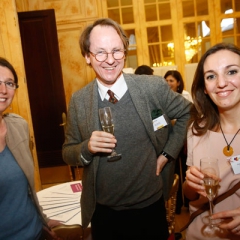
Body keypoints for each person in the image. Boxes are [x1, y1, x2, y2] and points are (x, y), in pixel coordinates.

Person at [62, 18, 191, 240]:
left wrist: (168, 153)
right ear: (87, 57)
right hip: (104, 214)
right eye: (100, 52)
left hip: (150, 209)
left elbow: (187, 112)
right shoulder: (79, 101)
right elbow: (68, 152)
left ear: (125, 51)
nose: (110, 60)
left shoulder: (152, 87)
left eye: (116, 51)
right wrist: (86, 148)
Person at [183, 42, 240, 240]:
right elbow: (189, 195)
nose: (221, 83)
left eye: (232, 72)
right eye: (211, 76)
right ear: (205, 88)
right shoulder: (196, 129)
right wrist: (190, 183)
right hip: (199, 233)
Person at [0, 57, 61, 240]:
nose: (3, 90)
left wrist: (42, 220)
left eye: (9, 83)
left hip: (35, 233)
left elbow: (26, 190)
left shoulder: (19, 127)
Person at [164, 70, 192, 214]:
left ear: (178, 83)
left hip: (185, 139)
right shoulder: (163, 97)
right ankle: (177, 205)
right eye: (166, 80)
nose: (168, 83)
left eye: (171, 81)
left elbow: (190, 117)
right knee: (174, 173)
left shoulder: (185, 96)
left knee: (186, 170)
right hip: (170, 140)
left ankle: (187, 202)